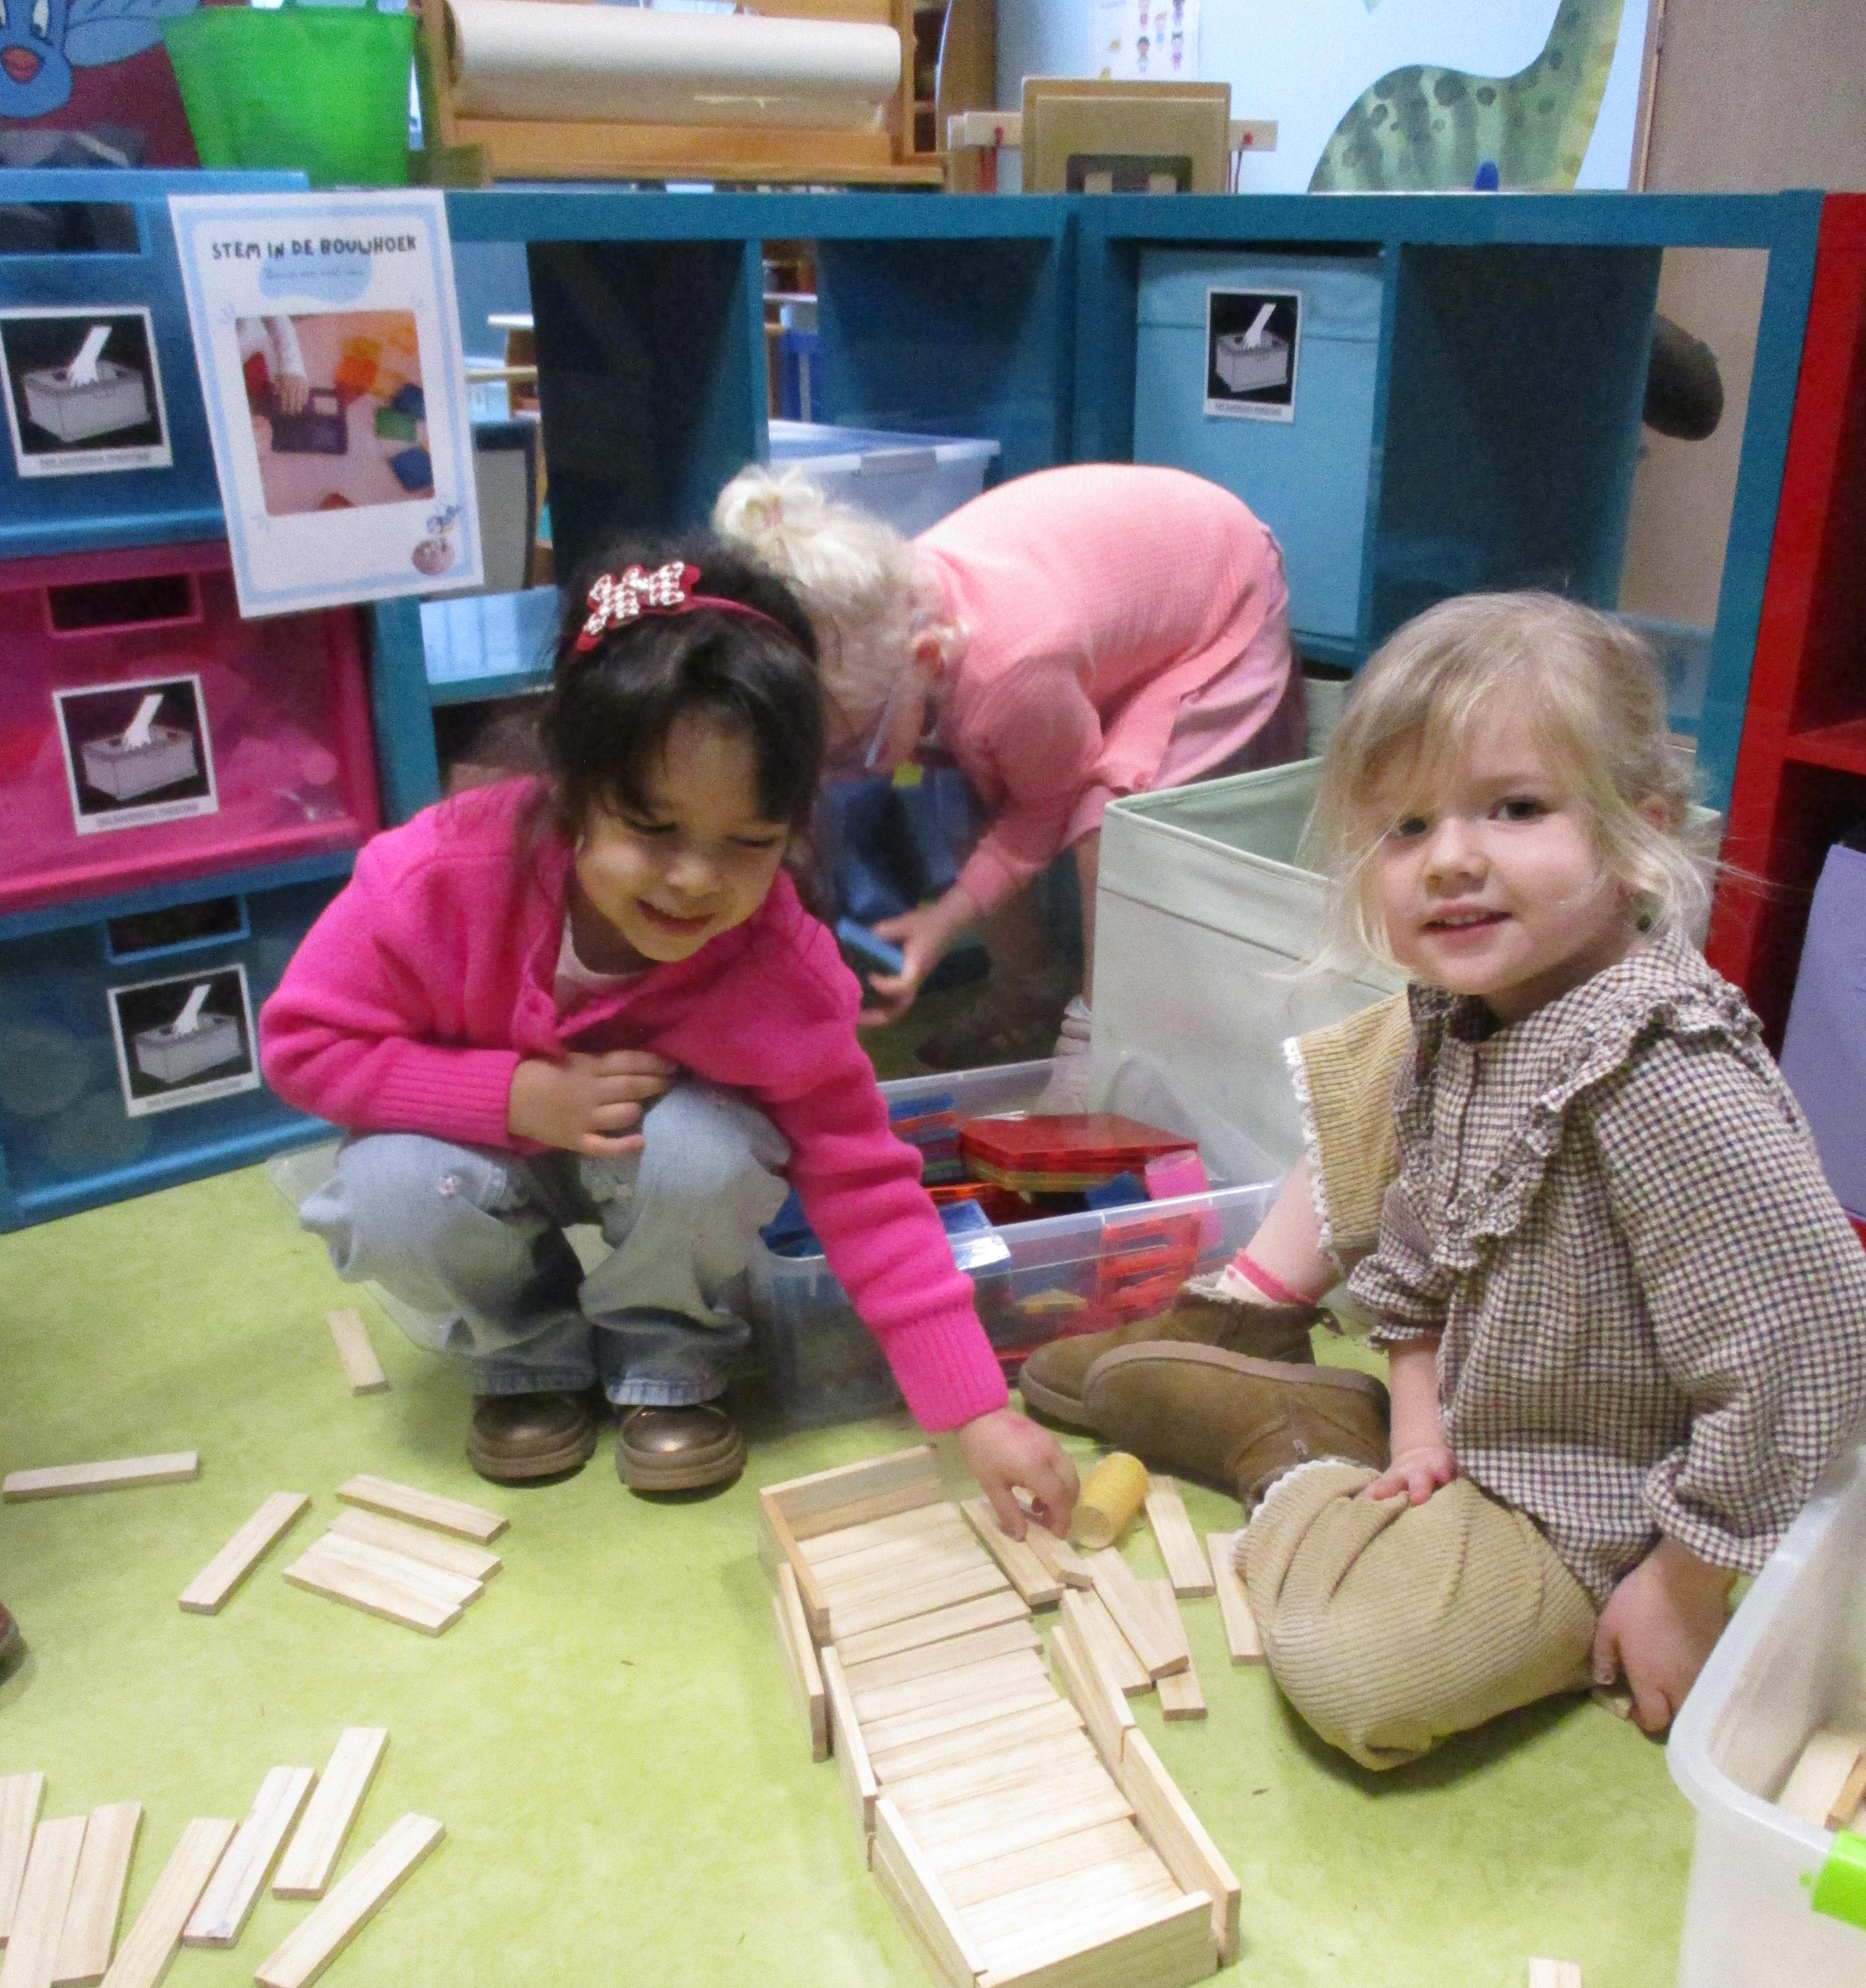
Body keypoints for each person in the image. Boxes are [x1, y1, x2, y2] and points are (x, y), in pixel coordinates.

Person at [1020, 592, 1866, 1768]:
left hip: (1611, 1504)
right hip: (1488, 1441)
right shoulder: (1462, 1015)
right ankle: (1328, 1428)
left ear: (1639, 834)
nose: (1454, 859)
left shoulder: (1661, 1072)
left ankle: (1288, 1450)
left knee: (1363, 1676)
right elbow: (1414, 1252)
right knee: (1367, 1644)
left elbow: (1811, 1347)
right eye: (1407, 827)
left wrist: (1686, 1575)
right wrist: (1420, 1425)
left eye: (1517, 807)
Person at [260, 538, 1076, 1533]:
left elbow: (865, 1180)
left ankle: (666, 1353)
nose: (694, 880)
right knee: (389, 1185)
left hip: (652, 1172)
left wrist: (975, 1410)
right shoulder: (433, 878)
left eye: (748, 843)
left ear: (792, 831)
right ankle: (526, 1355)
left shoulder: (780, 963)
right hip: (471, 1164)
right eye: (652, 829)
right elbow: (302, 1047)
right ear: (570, 784)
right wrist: (512, 1097)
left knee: (706, 1151)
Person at [714, 461, 1302, 1088]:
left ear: (926, 657)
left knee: (1108, 822)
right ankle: (1031, 983)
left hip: (1223, 595)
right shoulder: (874, 613)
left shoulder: (1010, 677)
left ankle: (1101, 1034)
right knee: (956, 786)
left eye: (858, 748)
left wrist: (947, 917)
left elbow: (1049, 807)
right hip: (1111, 601)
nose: (849, 772)